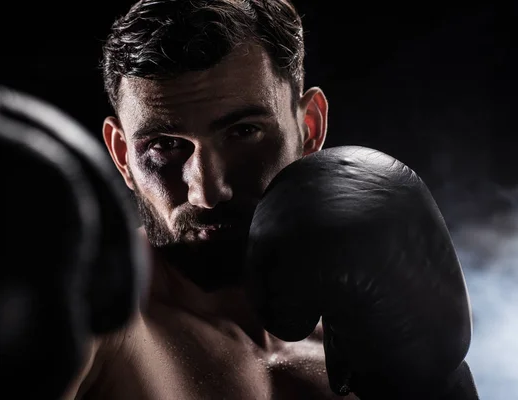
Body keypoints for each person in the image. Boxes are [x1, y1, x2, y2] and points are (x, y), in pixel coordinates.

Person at [63, 1, 478, 399]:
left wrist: (439, 384)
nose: (208, 191)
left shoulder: (363, 329)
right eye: (164, 145)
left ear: (309, 127)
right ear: (122, 156)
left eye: (243, 132)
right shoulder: (90, 314)